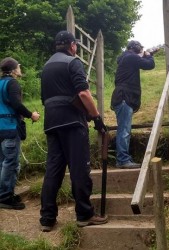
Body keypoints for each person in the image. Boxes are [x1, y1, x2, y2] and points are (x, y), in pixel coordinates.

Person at [39, 30, 108, 232]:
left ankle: (47, 219)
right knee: (79, 168)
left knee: (53, 170)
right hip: (71, 121)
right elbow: (84, 93)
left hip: (51, 122)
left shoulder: (46, 66)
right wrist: (96, 117)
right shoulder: (73, 62)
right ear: (72, 45)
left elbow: (45, 99)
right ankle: (85, 215)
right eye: (75, 45)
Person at [0, 57, 40, 210]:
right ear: (14, 70)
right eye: (19, 67)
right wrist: (31, 115)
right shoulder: (13, 83)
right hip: (10, 127)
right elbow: (16, 104)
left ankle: (5, 193)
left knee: (2, 162)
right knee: (11, 163)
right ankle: (5, 197)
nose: (20, 69)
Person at [111, 40, 155, 169]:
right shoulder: (131, 57)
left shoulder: (126, 57)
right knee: (124, 130)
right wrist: (148, 55)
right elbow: (149, 65)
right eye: (140, 48)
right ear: (135, 48)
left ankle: (124, 158)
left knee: (125, 129)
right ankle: (123, 160)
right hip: (125, 97)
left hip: (122, 97)